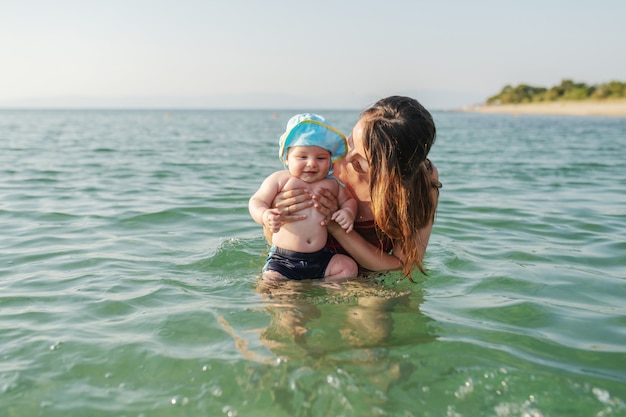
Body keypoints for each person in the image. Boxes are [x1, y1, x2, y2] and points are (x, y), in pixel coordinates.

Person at [267, 96, 441, 279]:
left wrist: (336, 227)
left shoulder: (421, 183)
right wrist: (278, 212)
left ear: (393, 171)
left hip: (358, 274)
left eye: (362, 160)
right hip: (300, 262)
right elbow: (273, 235)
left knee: (375, 305)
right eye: (351, 142)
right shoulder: (322, 161)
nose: (347, 158)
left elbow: (404, 264)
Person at [249, 113, 358, 282]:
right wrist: (264, 215)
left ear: (330, 162)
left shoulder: (332, 184)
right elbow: (257, 201)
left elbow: (349, 201)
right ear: (287, 158)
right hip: (284, 260)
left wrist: (348, 213)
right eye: (302, 157)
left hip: (320, 258)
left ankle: (321, 287)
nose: (311, 163)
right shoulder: (280, 179)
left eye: (321, 158)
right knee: (272, 279)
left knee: (348, 268)